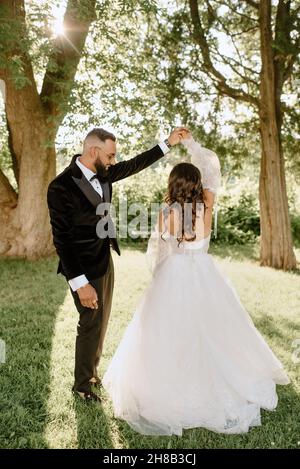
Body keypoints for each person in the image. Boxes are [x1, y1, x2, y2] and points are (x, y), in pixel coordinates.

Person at [103, 134, 290, 435]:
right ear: (197, 184)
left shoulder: (167, 214)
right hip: (204, 273)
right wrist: (193, 146)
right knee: (214, 327)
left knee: (169, 332)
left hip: (174, 274)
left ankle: (171, 383)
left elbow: (159, 251)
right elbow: (212, 168)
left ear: (173, 185)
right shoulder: (208, 203)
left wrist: (159, 277)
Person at [47, 126, 188, 402]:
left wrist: (167, 143)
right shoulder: (60, 187)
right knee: (90, 322)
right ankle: (81, 386)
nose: (113, 162)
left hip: (104, 259)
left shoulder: (104, 172)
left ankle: (91, 372)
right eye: (110, 156)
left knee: (101, 320)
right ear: (93, 151)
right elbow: (62, 239)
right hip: (82, 267)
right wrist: (80, 283)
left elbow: (135, 164)